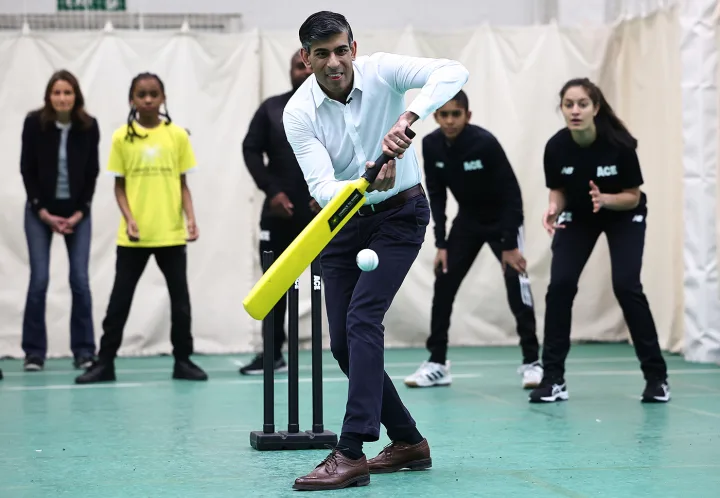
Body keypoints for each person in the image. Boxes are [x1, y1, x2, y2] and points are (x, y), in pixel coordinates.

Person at [282, 11, 469, 491]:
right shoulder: (298, 113)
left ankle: (350, 452)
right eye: (321, 54)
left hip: (401, 215)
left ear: (354, 49)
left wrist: (408, 116)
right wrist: (362, 183)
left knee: (364, 318)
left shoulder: (384, 69)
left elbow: (452, 72)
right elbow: (324, 189)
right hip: (342, 223)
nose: (334, 61)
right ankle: (408, 442)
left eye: (341, 50)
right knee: (344, 345)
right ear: (307, 58)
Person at [530, 77, 670, 404]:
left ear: (595, 108)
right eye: (569, 104)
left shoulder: (620, 144)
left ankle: (657, 377)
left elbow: (633, 197)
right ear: (562, 109)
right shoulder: (556, 147)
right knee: (560, 285)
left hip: (623, 213)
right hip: (579, 215)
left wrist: (605, 199)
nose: (575, 110)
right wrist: (553, 208)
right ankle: (553, 379)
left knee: (626, 285)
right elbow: (559, 190)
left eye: (582, 104)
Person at [404, 90, 541, 390]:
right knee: (444, 284)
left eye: (456, 114)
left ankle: (533, 362)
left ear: (468, 115)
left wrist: (510, 245)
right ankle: (438, 363)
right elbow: (436, 196)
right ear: (436, 117)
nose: (450, 120)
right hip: (467, 222)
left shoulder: (485, 143)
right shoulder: (431, 145)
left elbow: (511, 194)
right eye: (444, 114)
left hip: (503, 221)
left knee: (516, 286)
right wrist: (441, 243)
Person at [75, 72, 207, 384]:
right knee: (119, 301)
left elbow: (182, 184)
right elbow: (119, 187)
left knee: (180, 301)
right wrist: (129, 218)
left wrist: (191, 218)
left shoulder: (177, 136)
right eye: (141, 94)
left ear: (163, 98)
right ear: (132, 100)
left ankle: (183, 360)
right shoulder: (122, 137)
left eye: (153, 94)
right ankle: (104, 362)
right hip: (133, 237)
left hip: (170, 233)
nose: (147, 99)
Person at [239, 49, 315, 376]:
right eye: (297, 67)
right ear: (290, 72)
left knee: (340, 281)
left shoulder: (335, 110)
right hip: (279, 214)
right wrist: (273, 192)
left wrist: (328, 196)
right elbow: (251, 150)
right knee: (273, 283)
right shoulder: (271, 109)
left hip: (323, 215)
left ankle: (352, 349)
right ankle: (272, 354)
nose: (302, 72)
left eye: (307, 66)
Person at [19, 69, 100, 372]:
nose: (62, 98)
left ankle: (84, 351)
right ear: (49, 96)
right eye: (57, 92)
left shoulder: (89, 127)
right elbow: (26, 169)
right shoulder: (33, 124)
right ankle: (34, 353)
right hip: (40, 213)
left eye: (68, 92)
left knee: (79, 280)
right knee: (39, 280)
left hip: (78, 213)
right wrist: (43, 212)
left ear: (75, 96)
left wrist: (79, 213)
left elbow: (92, 173)